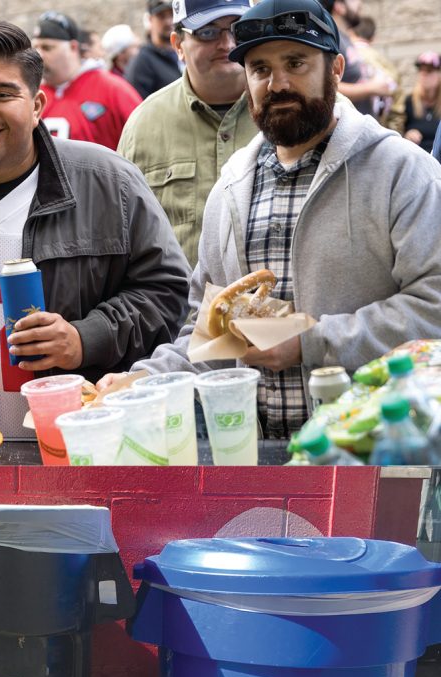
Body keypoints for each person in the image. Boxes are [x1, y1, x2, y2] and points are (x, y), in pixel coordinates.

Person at [100, 0, 441, 442]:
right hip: (262, 456)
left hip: (381, 451)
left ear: (335, 69)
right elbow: (212, 336)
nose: (276, 83)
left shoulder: (402, 171)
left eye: (295, 63)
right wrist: (141, 380)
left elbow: (434, 306)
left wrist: (310, 341)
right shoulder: (232, 188)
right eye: (259, 69)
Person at [0, 21, 190, 440]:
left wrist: (85, 337)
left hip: (87, 447)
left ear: (38, 104)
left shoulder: (108, 181)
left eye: (3, 94)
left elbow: (168, 292)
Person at [118, 0, 256, 267]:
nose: (227, 44)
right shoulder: (144, 126)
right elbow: (121, 235)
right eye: (207, 31)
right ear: (177, 44)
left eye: (238, 29)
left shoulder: (294, 108)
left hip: (278, 307)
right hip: (179, 307)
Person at [32, 11, 142, 150]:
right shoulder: (32, 95)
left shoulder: (112, 88)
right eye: (35, 47)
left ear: (73, 47)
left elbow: (143, 138)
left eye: (47, 48)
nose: (39, 55)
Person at [318, 0, 394, 115]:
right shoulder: (333, 39)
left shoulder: (346, 39)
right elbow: (325, 85)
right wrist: (372, 88)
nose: (360, 2)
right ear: (339, 6)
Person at [125, 1, 182, 98]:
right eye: (162, 16)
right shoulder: (142, 62)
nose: (169, 21)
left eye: (172, 15)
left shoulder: (182, 52)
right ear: (150, 20)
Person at [403, 51, 441, 154]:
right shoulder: (409, 101)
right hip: (417, 159)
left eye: (429, 71)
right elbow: (397, 129)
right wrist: (407, 135)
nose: (424, 75)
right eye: (421, 70)